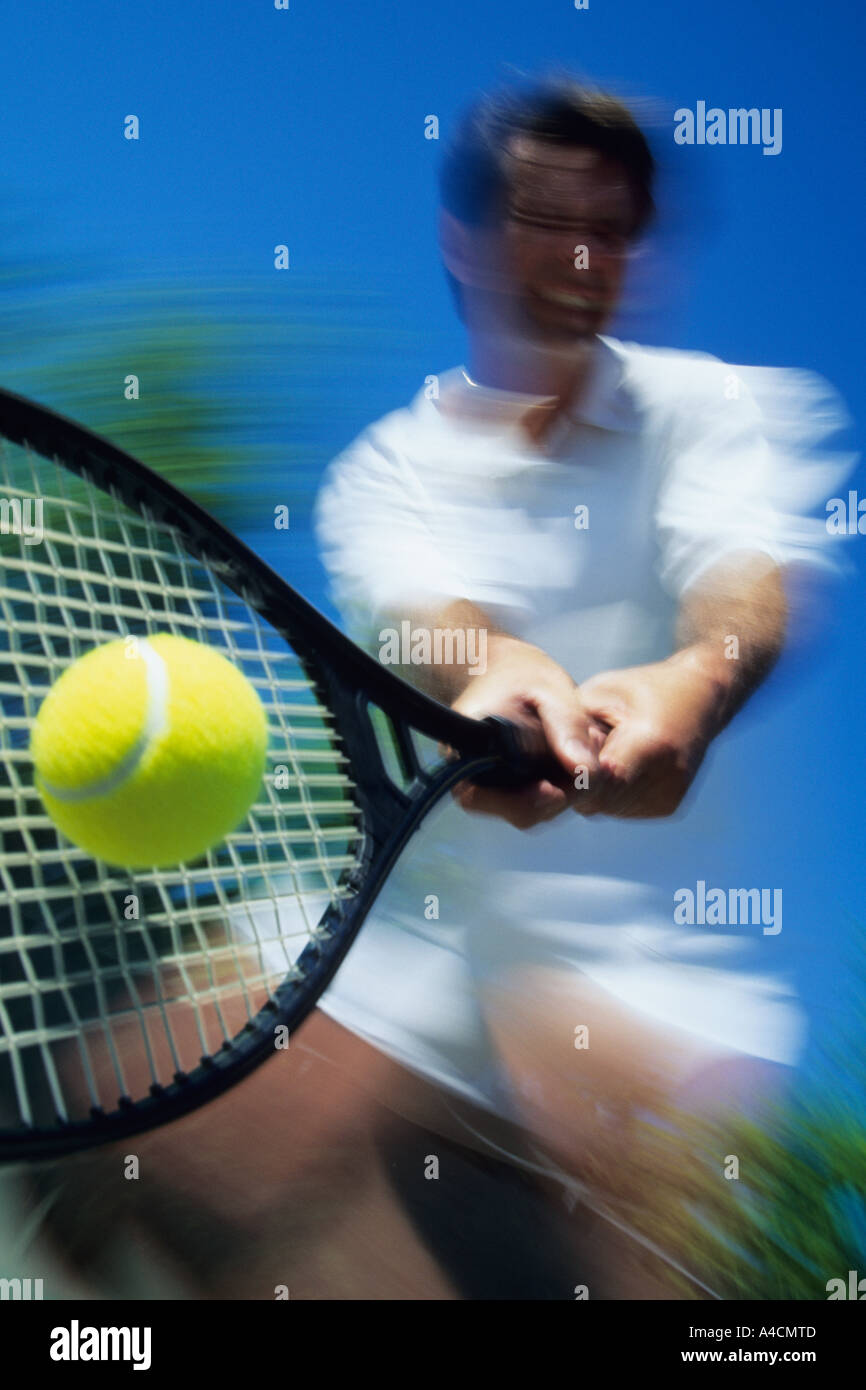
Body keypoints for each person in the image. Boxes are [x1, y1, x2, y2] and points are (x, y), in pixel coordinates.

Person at [311, 77, 853, 1292]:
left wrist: (691, 686)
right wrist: (499, 675)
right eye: (546, 221)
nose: (579, 257)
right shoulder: (379, 474)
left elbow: (742, 591)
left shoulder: (727, 408)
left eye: (610, 230)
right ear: (464, 243)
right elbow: (434, 626)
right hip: (424, 1004)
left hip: (677, 1035)